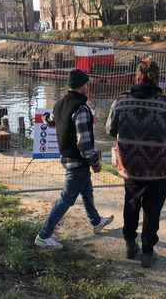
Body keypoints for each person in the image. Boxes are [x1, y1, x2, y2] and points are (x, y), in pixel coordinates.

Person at [106, 58, 166, 268]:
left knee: (131, 205)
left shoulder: (120, 102)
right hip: (158, 169)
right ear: (158, 79)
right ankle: (148, 252)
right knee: (152, 210)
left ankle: (130, 244)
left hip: (130, 167)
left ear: (136, 77)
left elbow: (110, 130)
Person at [35, 69, 114, 249]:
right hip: (77, 161)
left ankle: (96, 221)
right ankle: (43, 235)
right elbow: (84, 143)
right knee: (66, 199)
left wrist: (46, 117)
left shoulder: (59, 104)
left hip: (68, 158)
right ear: (83, 86)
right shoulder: (81, 108)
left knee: (86, 191)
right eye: (87, 84)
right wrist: (95, 162)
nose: (89, 87)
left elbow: (50, 121)